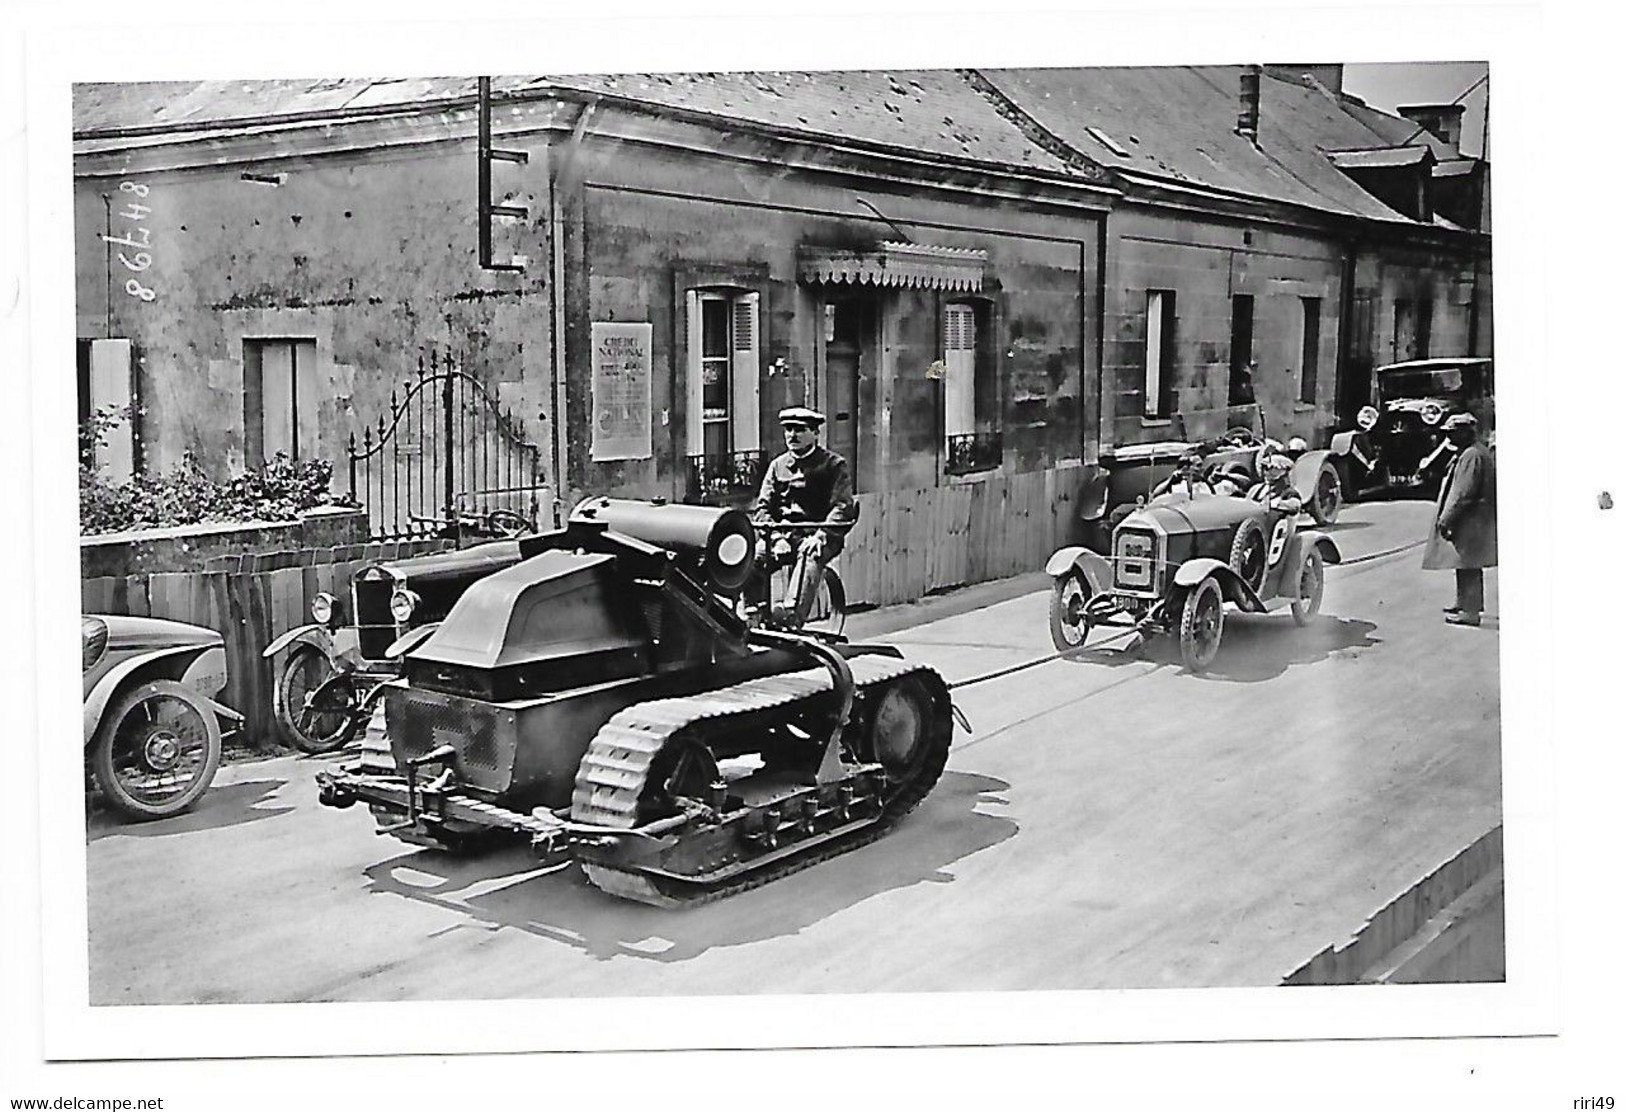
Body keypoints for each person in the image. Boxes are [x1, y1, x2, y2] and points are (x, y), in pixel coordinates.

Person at [750, 406, 857, 624]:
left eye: (800, 429)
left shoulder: (833, 465)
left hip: (818, 535)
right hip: (782, 536)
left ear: (816, 434)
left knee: (811, 557)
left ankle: (792, 616)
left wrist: (820, 535)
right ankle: (753, 615)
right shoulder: (777, 466)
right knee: (750, 559)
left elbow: (842, 506)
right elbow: (762, 508)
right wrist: (777, 537)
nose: (792, 435)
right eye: (788, 429)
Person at [1422, 413, 1497, 626]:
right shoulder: (1472, 452)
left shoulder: (1471, 456)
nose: (1449, 437)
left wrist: (1446, 519)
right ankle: (1462, 602)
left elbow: (1463, 493)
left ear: (1465, 432)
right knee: (1463, 563)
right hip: (1474, 518)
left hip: (1471, 519)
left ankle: (1470, 611)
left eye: (1453, 433)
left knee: (1469, 564)